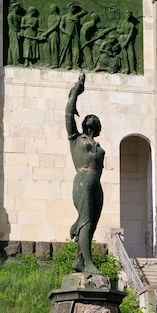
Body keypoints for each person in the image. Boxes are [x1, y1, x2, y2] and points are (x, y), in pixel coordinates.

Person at [65, 72, 105, 273]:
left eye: (94, 118)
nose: (91, 118)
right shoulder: (76, 138)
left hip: (96, 184)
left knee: (91, 224)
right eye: (88, 117)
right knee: (86, 221)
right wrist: (76, 93)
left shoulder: (98, 146)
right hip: (82, 180)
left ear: (98, 128)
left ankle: (79, 260)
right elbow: (68, 115)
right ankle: (89, 264)